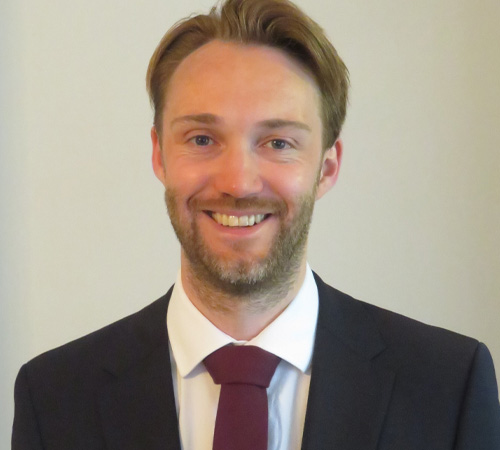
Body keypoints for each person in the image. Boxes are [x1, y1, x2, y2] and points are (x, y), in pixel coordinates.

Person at [12, 0, 500, 448]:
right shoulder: (53, 398)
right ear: (159, 155)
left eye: (278, 143)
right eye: (202, 139)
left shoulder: (448, 386)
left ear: (327, 167)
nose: (238, 182)